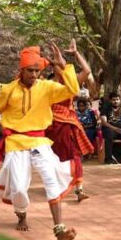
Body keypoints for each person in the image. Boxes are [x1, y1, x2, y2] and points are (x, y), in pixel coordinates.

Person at [0, 44, 78, 240]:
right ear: (21, 70)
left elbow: (73, 90)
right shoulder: (8, 90)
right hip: (15, 142)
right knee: (18, 187)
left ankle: (59, 230)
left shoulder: (47, 87)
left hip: (39, 140)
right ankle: (21, 214)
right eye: (30, 70)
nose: (34, 74)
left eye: (37, 71)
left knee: (51, 179)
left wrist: (64, 66)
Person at [45, 39, 94, 202]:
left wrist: (76, 53)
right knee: (55, 157)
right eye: (58, 64)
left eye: (63, 63)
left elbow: (87, 71)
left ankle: (79, 189)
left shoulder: (71, 82)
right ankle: (58, 184)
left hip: (68, 124)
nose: (62, 65)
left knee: (74, 154)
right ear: (53, 67)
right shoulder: (47, 85)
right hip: (50, 125)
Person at [100, 93, 121, 164]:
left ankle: (116, 155)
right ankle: (108, 159)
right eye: (114, 100)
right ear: (110, 100)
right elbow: (104, 122)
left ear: (120, 100)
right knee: (109, 133)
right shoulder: (105, 109)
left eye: (117, 99)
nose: (116, 101)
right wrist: (115, 129)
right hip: (110, 129)